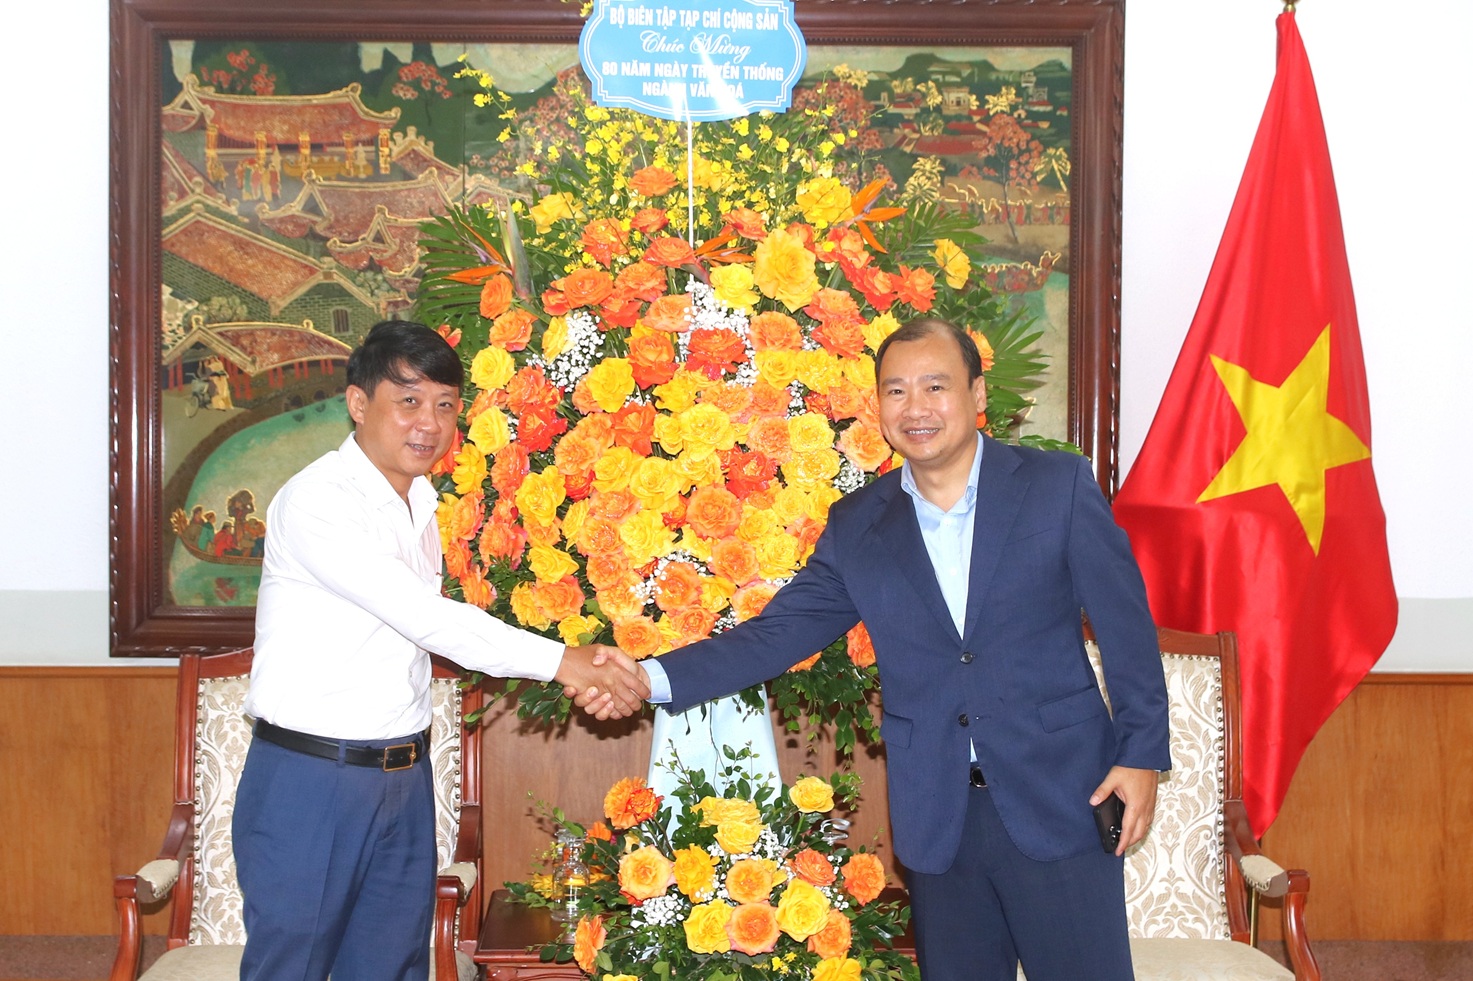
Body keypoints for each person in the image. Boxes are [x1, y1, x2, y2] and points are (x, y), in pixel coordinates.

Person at [581, 316, 1170, 981]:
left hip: (1062, 795)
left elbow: (1126, 627)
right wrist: (646, 677)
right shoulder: (859, 525)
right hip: (938, 816)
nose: (915, 407)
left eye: (935, 386)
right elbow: (775, 636)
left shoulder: (1056, 486)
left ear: (977, 394)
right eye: (896, 390)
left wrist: (1141, 755)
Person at [235, 320, 648, 981]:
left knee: (392, 967)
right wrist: (564, 661)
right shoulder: (318, 501)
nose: (428, 423)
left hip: (402, 777)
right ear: (358, 402)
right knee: (293, 967)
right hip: (313, 780)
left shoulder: (420, 503)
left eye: (445, 405)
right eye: (408, 400)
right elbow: (425, 617)